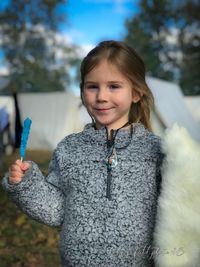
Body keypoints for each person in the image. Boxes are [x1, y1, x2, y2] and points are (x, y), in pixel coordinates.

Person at [2, 41, 199, 267]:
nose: (101, 96)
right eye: (92, 86)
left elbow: (178, 216)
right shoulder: (68, 149)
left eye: (114, 86)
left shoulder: (158, 151)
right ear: (82, 90)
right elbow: (57, 212)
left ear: (135, 92)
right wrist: (26, 185)